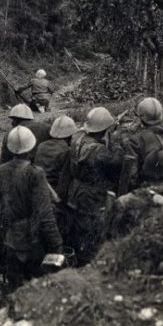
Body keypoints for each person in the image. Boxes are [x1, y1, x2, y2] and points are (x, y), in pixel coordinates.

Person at [0, 126, 63, 289]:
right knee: (39, 288)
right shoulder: (35, 174)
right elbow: (45, 216)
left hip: (10, 240)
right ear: (32, 148)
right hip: (33, 241)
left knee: (16, 289)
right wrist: (56, 245)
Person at [59, 107, 124, 265]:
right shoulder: (97, 150)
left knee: (78, 230)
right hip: (91, 197)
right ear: (103, 129)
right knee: (91, 233)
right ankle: (87, 263)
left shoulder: (77, 138)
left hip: (75, 192)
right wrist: (114, 139)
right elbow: (118, 160)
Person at [34, 115, 77, 199]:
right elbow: (64, 181)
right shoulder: (66, 151)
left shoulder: (42, 145)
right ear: (70, 136)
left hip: (38, 187)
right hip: (54, 192)